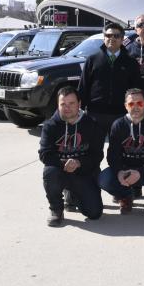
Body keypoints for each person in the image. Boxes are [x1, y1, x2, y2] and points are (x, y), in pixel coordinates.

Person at [39, 87, 104, 227]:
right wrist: (64, 163)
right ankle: (56, 209)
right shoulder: (50, 126)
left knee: (94, 213)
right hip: (59, 171)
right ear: (58, 105)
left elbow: (97, 155)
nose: (67, 108)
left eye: (71, 103)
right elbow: (45, 154)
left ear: (79, 103)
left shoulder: (92, 124)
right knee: (49, 172)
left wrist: (79, 163)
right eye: (63, 104)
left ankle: (73, 195)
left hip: (83, 172)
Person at [98, 88, 144, 216]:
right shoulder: (118, 125)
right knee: (103, 179)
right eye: (131, 104)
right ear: (125, 106)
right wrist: (119, 171)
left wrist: (140, 172)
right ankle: (125, 196)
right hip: (125, 171)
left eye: (139, 103)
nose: (135, 107)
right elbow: (112, 155)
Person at [78, 22, 141, 136]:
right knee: (94, 150)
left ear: (122, 39)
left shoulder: (131, 62)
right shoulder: (92, 60)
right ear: (104, 38)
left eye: (116, 36)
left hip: (121, 114)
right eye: (108, 35)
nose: (112, 38)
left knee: (119, 151)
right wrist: (79, 111)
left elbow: (136, 89)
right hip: (95, 114)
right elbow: (83, 87)